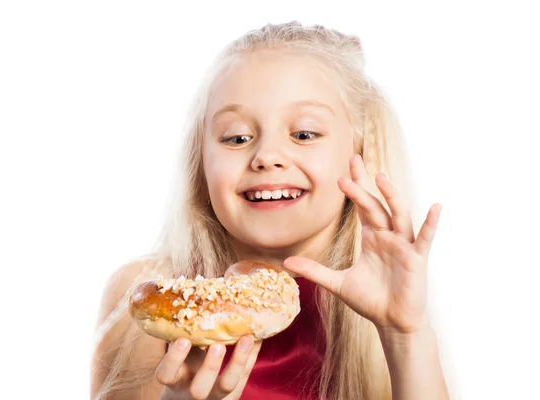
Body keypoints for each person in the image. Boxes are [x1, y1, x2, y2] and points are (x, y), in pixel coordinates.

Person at [90, 20, 450, 400]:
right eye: (237, 137)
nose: (266, 157)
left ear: (358, 150)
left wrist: (404, 337)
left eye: (304, 134)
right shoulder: (147, 300)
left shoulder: (388, 305)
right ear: (201, 161)